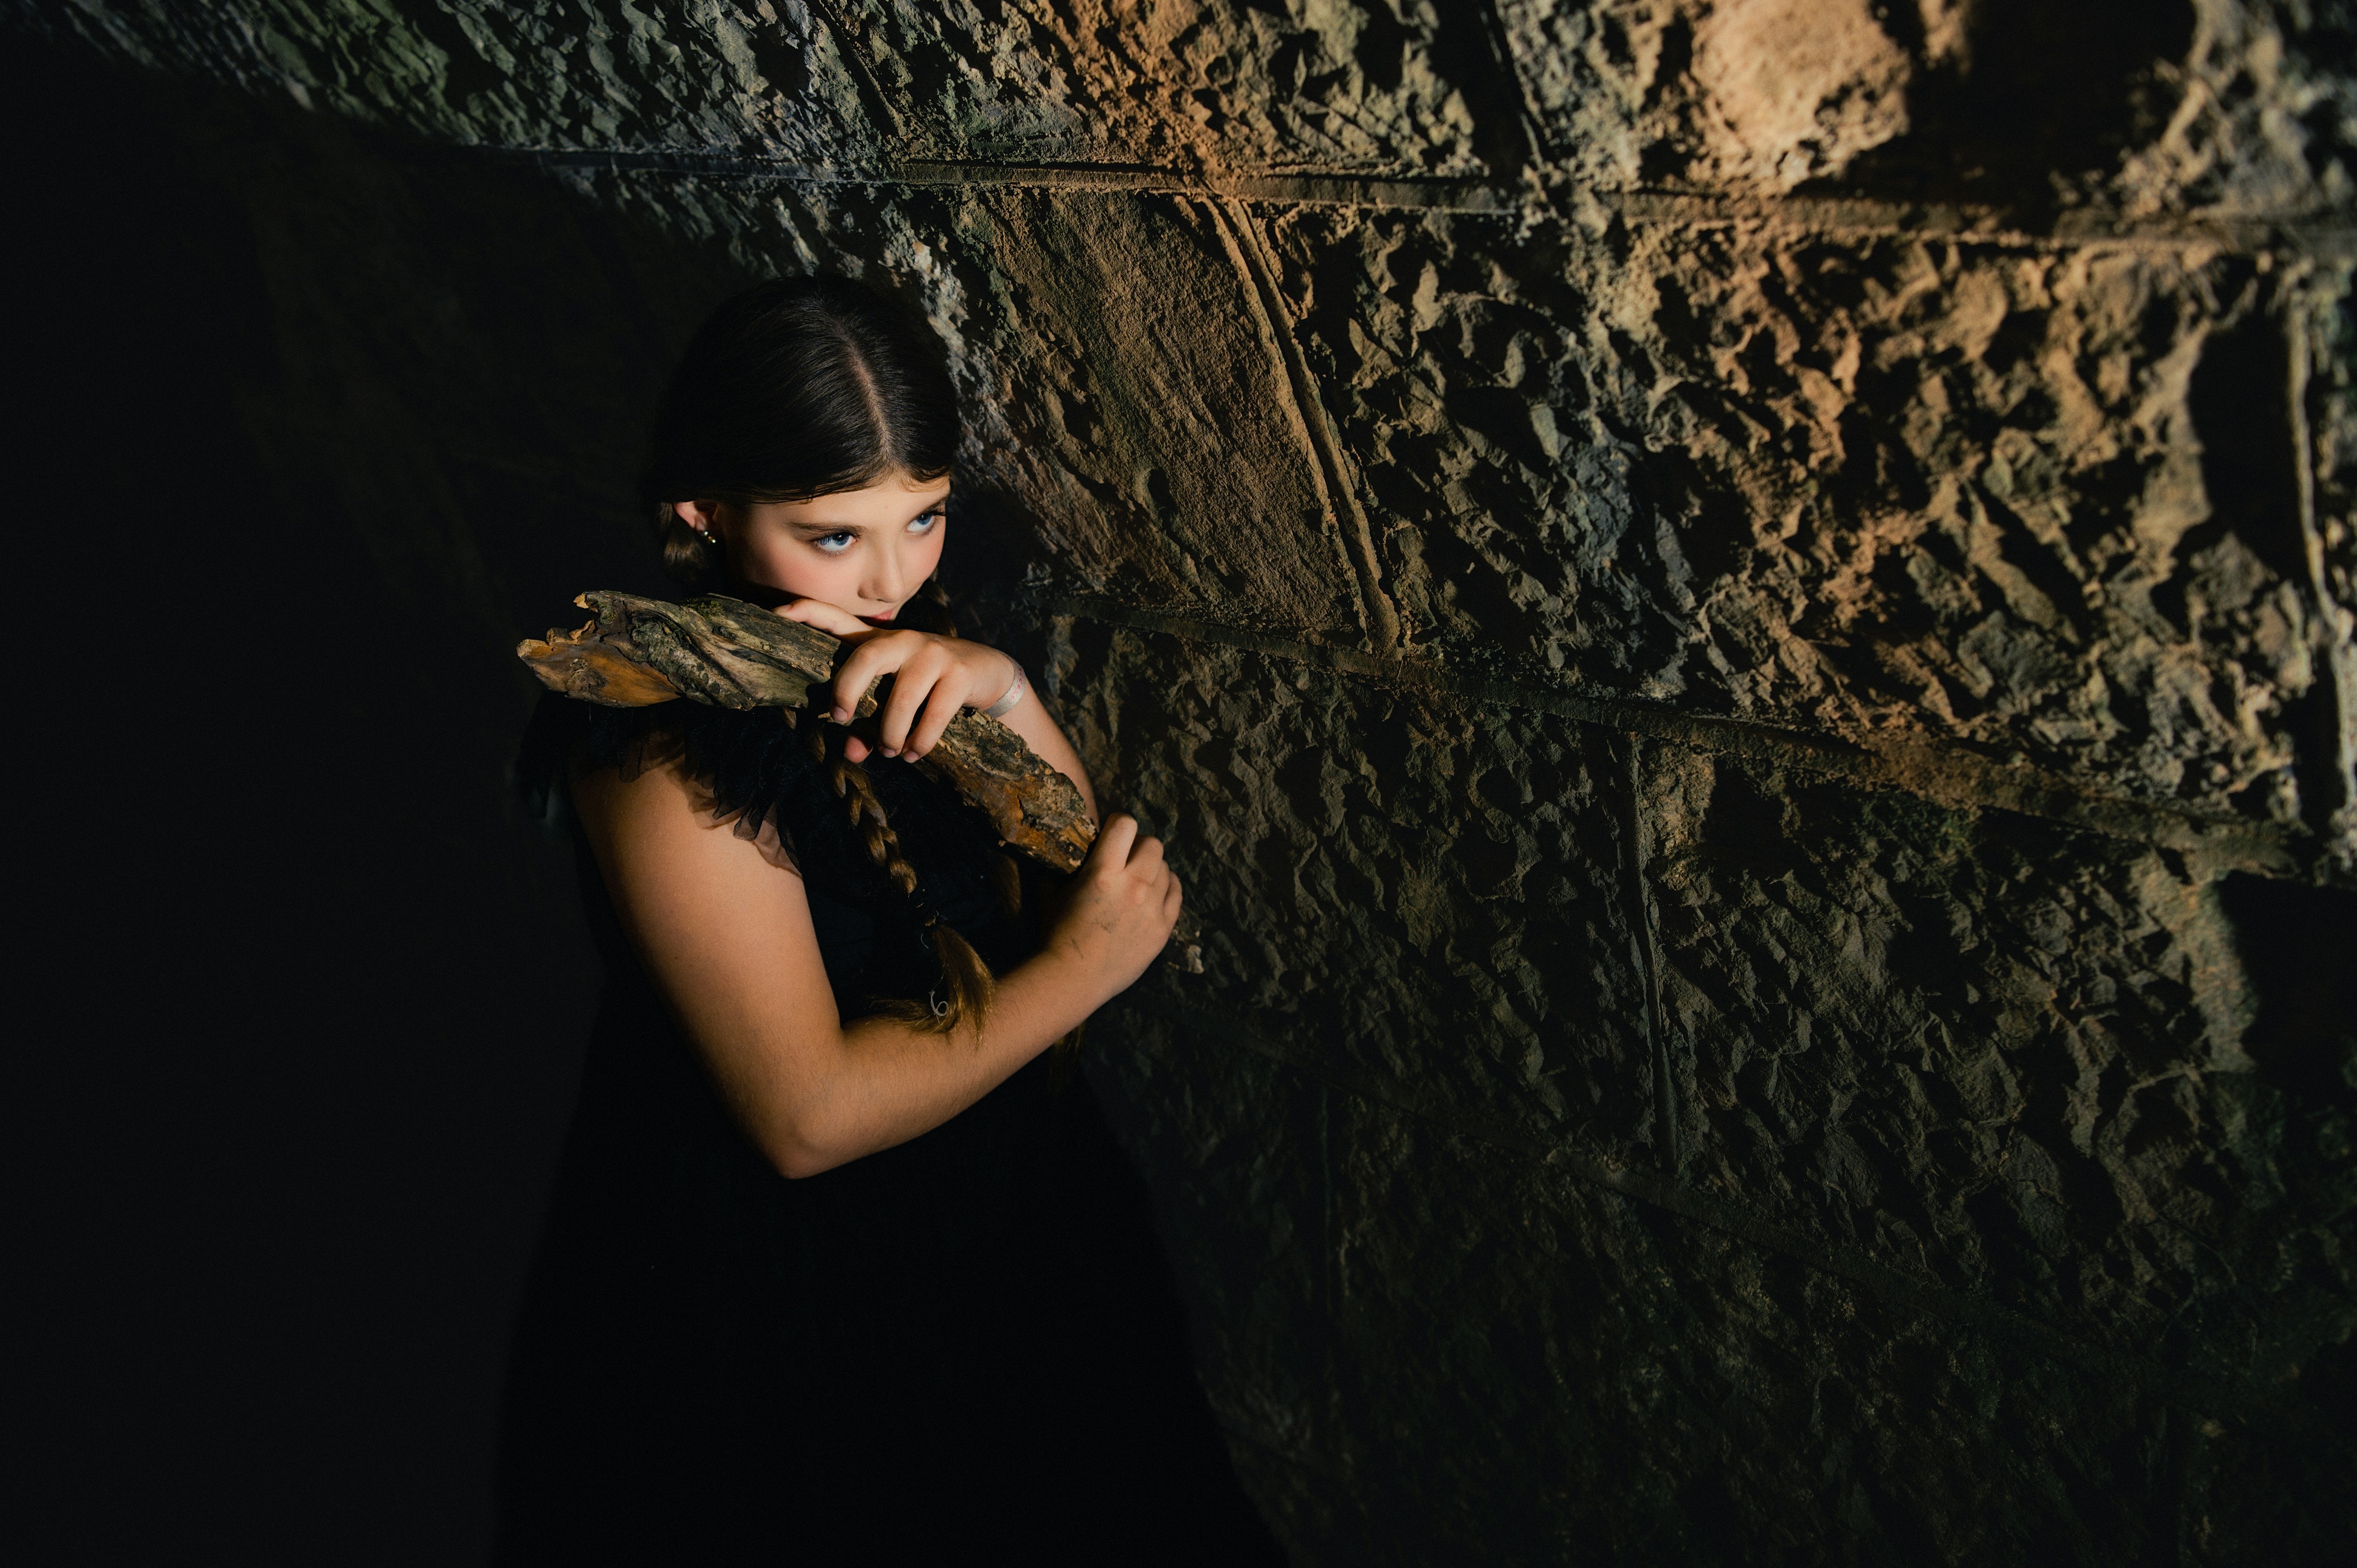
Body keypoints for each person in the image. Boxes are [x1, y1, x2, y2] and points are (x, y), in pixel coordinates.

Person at [495, 276, 1282, 1562]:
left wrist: (1007, 695)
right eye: (835, 535)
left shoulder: (925, 645)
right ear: (707, 513)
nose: (895, 576)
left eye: (922, 519)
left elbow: (1092, 878)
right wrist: (1080, 976)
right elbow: (805, 1119)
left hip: (1018, 1228)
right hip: (808, 1302)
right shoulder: (651, 741)